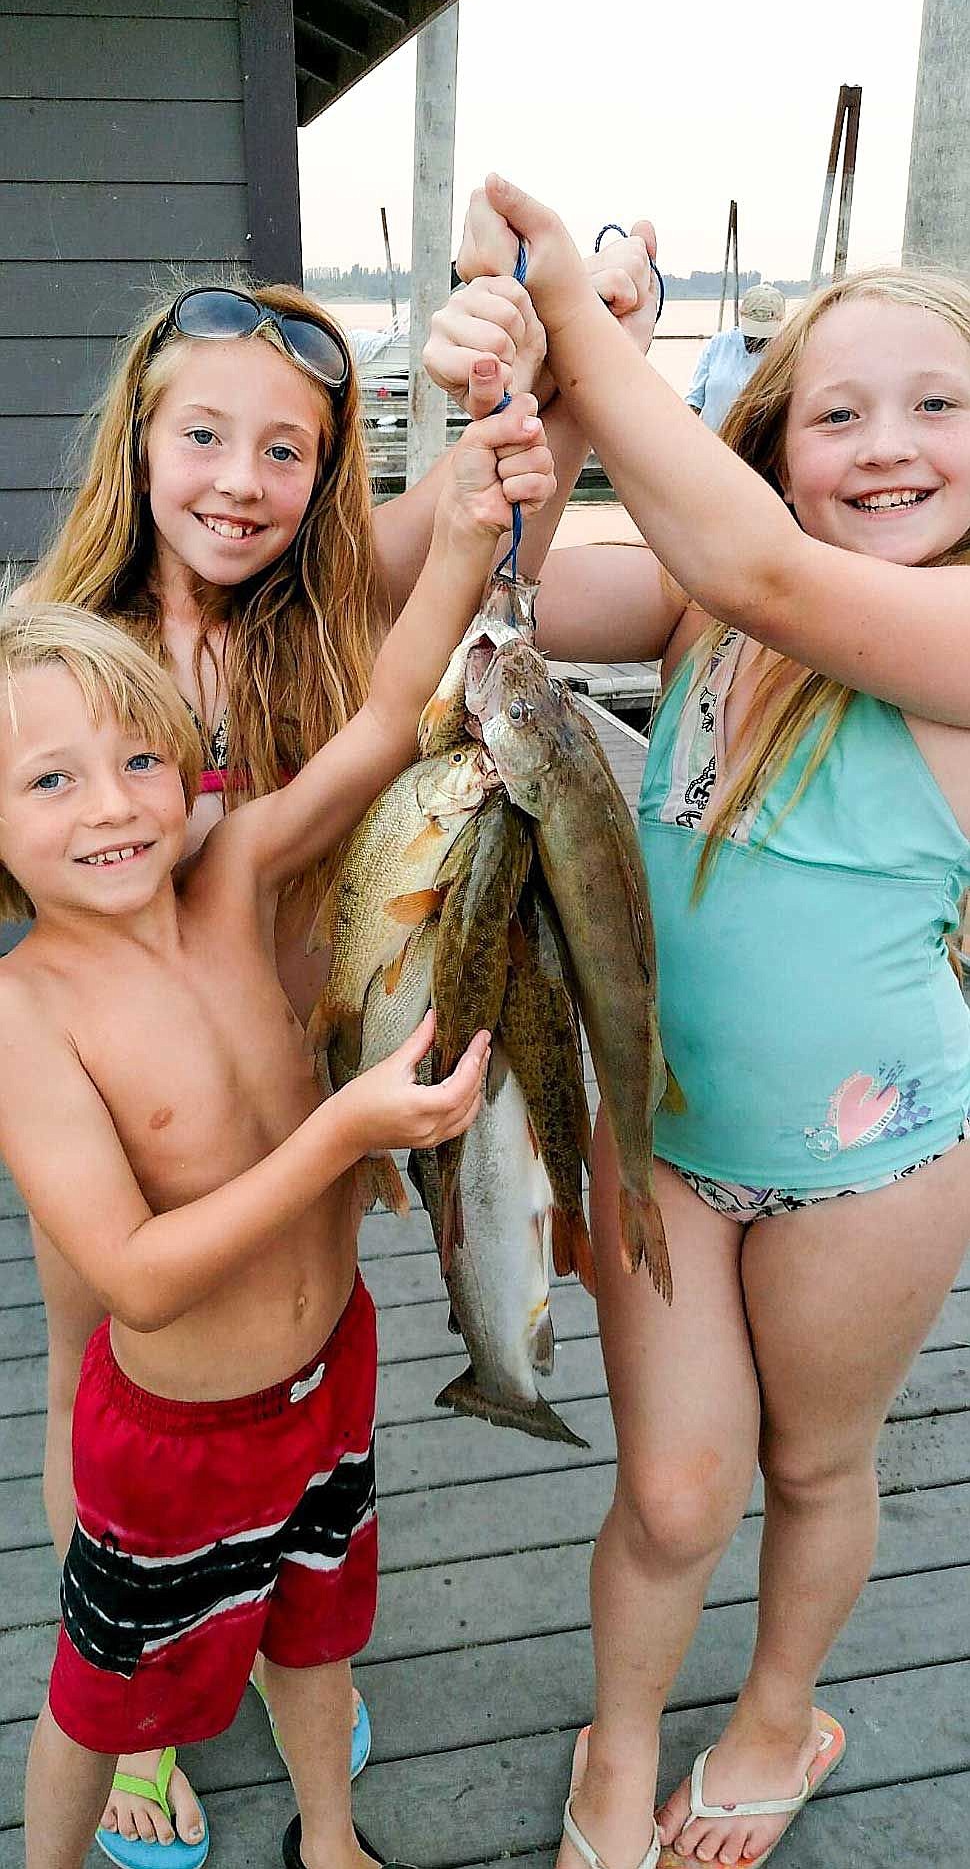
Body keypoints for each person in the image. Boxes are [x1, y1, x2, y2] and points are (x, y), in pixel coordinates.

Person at [446, 176, 970, 1869]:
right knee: (674, 1493)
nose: (886, 445)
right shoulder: (699, 600)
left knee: (816, 1466)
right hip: (659, 1129)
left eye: (938, 404)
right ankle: (616, 1741)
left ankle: (775, 1713)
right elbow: (481, 601)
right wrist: (517, 396)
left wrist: (597, 327)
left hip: (867, 1164)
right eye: (838, 412)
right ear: (775, 439)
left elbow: (759, 566)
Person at [16, 275, 572, 1860]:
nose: (238, 480)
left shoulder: (301, 634)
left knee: (309, 1489)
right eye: (203, 433)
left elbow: (406, 681)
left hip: (292, 1102)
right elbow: (130, 1272)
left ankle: (282, 1676)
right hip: (136, 1114)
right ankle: (134, 1719)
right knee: (95, 1403)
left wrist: (484, 466)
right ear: (142, 433)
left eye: (287, 452)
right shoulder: (62, 651)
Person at [685, 282, 786, 431]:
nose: (756, 341)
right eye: (750, 336)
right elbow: (695, 400)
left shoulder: (785, 354)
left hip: (757, 448)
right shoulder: (718, 344)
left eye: (763, 337)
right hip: (713, 442)